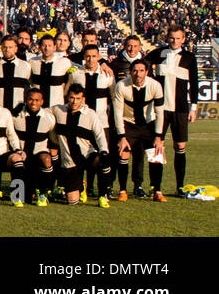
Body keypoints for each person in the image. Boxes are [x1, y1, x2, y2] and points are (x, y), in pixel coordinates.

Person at [146, 24, 198, 195]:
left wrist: (194, 107)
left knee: (180, 145)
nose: (174, 41)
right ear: (167, 38)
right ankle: (155, 186)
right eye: (171, 38)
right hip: (160, 109)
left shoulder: (189, 57)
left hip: (181, 109)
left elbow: (195, 83)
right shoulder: (158, 53)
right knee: (156, 145)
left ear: (183, 39)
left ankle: (180, 186)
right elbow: (144, 64)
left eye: (178, 38)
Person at [111, 59, 166, 202]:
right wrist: (122, 136)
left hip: (148, 125)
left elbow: (160, 112)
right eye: (135, 71)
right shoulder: (121, 86)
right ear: (130, 72)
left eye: (141, 71)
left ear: (147, 72)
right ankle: (123, 190)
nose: (138, 74)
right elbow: (117, 112)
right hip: (128, 124)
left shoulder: (155, 86)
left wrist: (159, 136)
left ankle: (157, 190)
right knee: (123, 154)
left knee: (156, 155)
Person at [52, 83, 113, 208]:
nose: (74, 101)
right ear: (67, 97)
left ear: (83, 99)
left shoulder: (90, 114)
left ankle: (103, 195)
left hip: (86, 156)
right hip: (69, 162)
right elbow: (42, 112)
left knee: (104, 161)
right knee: (72, 201)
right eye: (72, 98)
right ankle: (81, 186)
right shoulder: (58, 110)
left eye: (78, 98)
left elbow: (100, 135)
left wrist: (104, 151)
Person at [14, 88, 56, 206]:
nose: (33, 103)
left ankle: (42, 194)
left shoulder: (49, 118)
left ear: (42, 102)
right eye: (31, 99)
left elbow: (53, 140)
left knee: (47, 160)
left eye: (37, 100)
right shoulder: (16, 116)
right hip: (21, 154)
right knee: (24, 198)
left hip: (39, 153)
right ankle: (15, 194)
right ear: (26, 100)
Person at [0, 34, 31, 115]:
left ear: (16, 48)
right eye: (5, 47)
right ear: (1, 48)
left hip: (19, 113)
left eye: (10, 47)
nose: (7, 50)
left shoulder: (26, 66)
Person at [29, 34, 73, 109]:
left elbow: (76, 72)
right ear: (39, 47)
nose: (47, 48)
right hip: (37, 108)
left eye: (50, 45)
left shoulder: (64, 62)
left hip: (56, 108)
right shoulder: (32, 62)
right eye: (44, 45)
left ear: (54, 47)